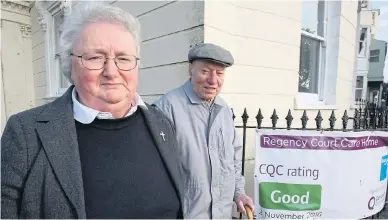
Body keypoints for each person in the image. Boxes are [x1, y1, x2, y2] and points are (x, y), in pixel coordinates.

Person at [1, 2, 183, 219]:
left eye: (123, 58)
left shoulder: (161, 122)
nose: (111, 71)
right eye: (95, 57)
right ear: (70, 65)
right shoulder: (25, 133)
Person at [153, 43, 254, 219]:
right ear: (190, 70)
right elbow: (156, 172)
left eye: (219, 73)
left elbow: (234, 159)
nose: (213, 80)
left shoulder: (223, 109)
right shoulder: (167, 108)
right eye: (205, 71)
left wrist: (239, 192)